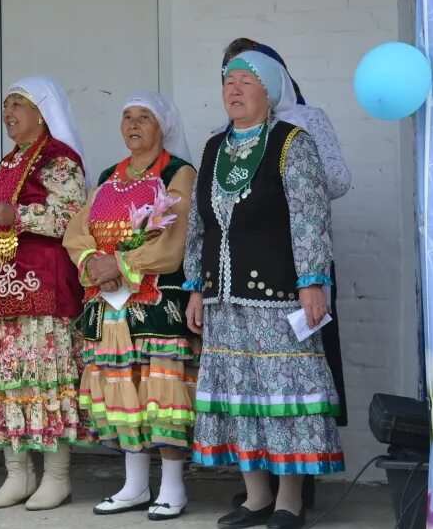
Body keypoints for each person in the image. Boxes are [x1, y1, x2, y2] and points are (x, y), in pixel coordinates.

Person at [185, 52, 344, 529]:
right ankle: (255, 497)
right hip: (223, 297)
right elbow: (200, 225)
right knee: (239, 394)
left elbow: (310, 216)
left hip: (279, 295)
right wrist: (195, 286)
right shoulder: (214, 147)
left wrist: (312, 281)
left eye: (245, 82)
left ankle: (288, 501)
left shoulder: (291, 143)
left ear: (269, 91)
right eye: (227, 82)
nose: (233, 90)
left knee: (285, 398)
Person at [63, 92, 198, 520]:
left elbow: (174, 242)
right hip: (110, 304)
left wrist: (122, 264)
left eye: (144, 118)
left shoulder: (178, 173)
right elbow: (77, 232)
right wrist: (93, 263)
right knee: (123, 390)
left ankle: (172, 488)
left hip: (156, 302)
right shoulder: (108, 176)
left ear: (163, 127)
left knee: (161, 392)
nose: (133, 125)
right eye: (127, 117)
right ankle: (135, 485)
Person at [0, 76, 88, 511]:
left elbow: (72, 217)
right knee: (7, 380)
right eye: (5, 106)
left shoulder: (59, 160)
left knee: (44, 378)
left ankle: (57, 477)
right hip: (0, 289)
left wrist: (18, 213)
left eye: (18, 104)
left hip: (43, 287)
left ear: (42, 112)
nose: (8, 113)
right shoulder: (9, 161)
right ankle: (17, 475)